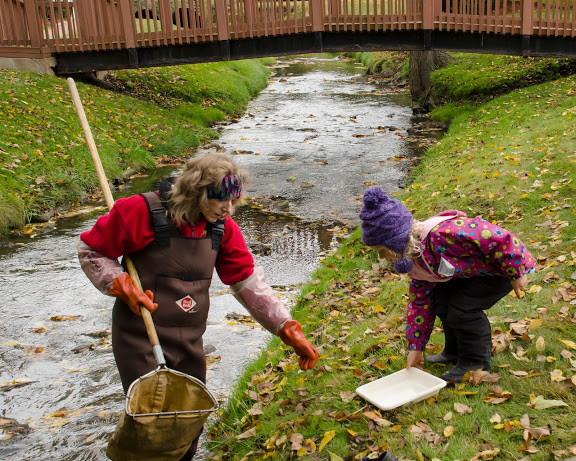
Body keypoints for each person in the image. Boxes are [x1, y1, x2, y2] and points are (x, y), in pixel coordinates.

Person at [78, 153, 319, 459]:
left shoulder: (222, 227)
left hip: (190, 341)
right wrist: (117, 281)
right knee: (153, 423)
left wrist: (286, 327)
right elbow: (92, 250)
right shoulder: (139, 211)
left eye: (234, 202)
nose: (229, 210)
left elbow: (247, 282)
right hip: (140, 337)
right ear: (198, 193)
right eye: (222, 202)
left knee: (190, 422)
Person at [359, 187, 535, 382]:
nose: (381, 257)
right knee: (440, 300)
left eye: (383, 250)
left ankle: (475, 363)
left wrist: (516, 271)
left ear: (399, 240)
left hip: (501, 269)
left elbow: (499, 238)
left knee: (463, 307)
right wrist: (416, 347)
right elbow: (420, 304)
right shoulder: (416, 260)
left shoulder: (443, 235)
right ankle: (456, 351)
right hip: (472, 273)